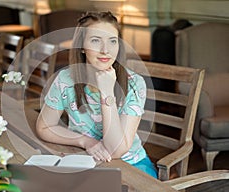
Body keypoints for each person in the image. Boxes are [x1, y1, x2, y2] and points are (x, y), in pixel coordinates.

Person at [36, 11, 158, 178]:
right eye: (95, 41)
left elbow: (115, 151)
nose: (105, 50)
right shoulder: (66, 79)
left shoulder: (135, 83)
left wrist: (107, 93)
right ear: (82, 47)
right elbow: (44, 127)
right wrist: (85, 141)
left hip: (130, 165)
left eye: (112, 41)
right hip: (83, 159)